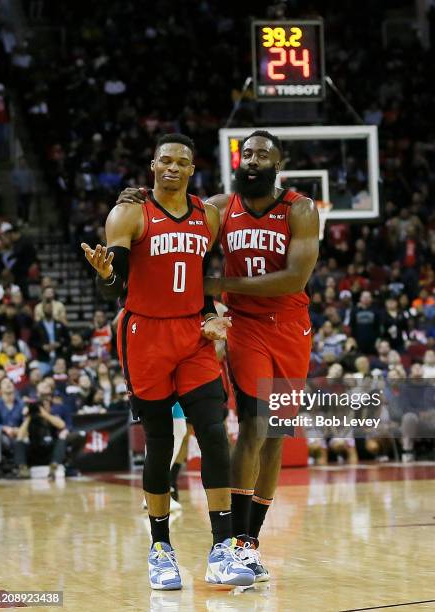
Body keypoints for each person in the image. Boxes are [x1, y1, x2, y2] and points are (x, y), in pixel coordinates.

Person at [118, 130, 319, 581]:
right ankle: (234, 544)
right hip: (245, 327)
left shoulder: (300, 209)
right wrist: (136, 196)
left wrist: (218, 287)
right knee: (252, 424)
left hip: (291, 327)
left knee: (276, 435)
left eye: (262, 155)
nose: (252, 160)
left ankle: (251, 540)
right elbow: (173, 215)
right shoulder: (218, 208)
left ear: (277, 164)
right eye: (246, 153)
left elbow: (293, 280)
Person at [82, 133, 254, 589]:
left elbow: (196, 274)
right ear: (153, 165)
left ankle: (222, 548)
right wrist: (104, 274)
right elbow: (113, 281)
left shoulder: (208, 217)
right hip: (145, 335)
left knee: (214, 434)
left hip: (193, 335)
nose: (173, 168)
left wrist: (210, 314)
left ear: (192, 170)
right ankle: (161, 549)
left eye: (182, 162)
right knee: (160, 443)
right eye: (166, 161)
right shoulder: (129, 212)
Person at [0, 376, 24, 487]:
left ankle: (22, 467)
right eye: (4, 383)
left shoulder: (21, 404)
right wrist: (5, 428)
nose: (8, 384)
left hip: (20, 435)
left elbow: (26, 421)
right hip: (4, 438)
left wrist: (20, 429)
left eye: (10, 382)